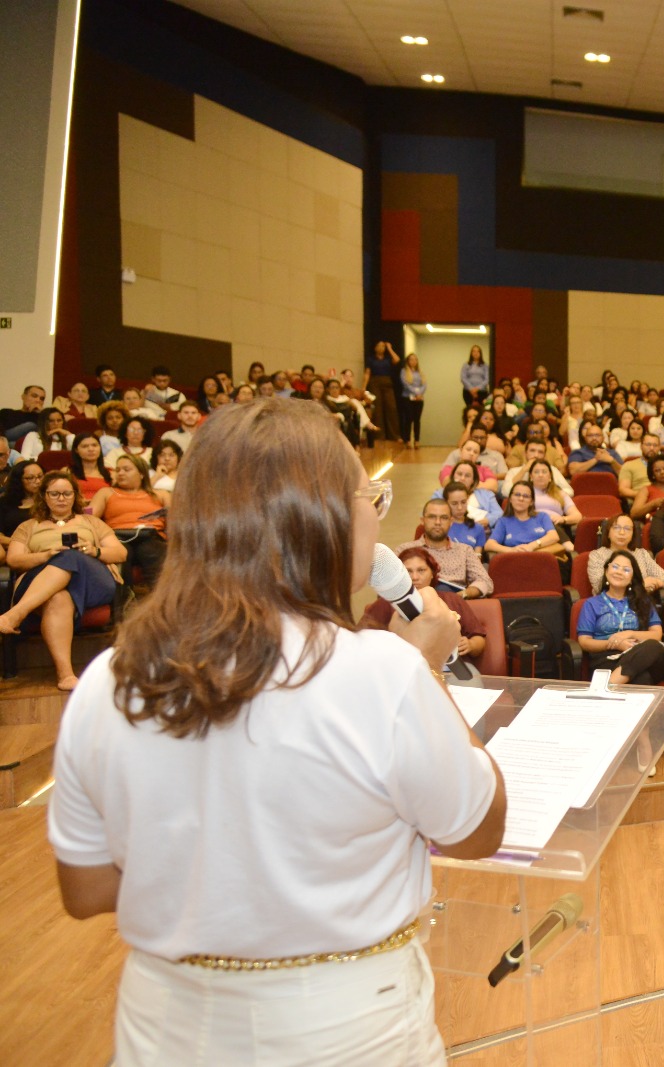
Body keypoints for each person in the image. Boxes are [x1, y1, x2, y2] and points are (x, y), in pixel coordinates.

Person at [47, 399, 505, 1064]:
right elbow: (477, 830)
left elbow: (86, 889)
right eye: (370, 497)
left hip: (167, 1023)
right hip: (347, 1026)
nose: (377, 517)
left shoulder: (108, 681)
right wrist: (427, 668)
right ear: (321, 518)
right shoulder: (381, 672)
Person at [2, 472, 127, 690]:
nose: (62, 498)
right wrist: (47, 556)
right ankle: (66, 675)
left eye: (67, 493)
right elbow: (13, 559)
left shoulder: (92, 522)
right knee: (59, 597)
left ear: (75, 495)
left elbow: (120, 553)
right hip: (40, 581)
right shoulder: (28, 526)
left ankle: (15, 614)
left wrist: (93, 551)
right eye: (55, 494)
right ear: (44, 496)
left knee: (71, 556)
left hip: (91, 581)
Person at [360, 546, 488, 667]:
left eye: (421, 570)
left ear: (432, 573)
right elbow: (360, 641)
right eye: (408, 571)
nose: (415, 577)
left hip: (454, 669)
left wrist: (470, 644)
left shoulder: (453, 599)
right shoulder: (386, 603)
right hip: (401, 668)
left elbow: (479, 638)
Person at [576, 551, 664, 685]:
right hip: (606, 658)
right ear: (606, 571)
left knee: (653, 646)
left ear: (632, 577)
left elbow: (657, 634)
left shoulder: (644, 601)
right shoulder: (592, 604)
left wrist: (629, 634)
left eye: (626, 570)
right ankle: (613, 684)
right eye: (615, 567)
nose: (619, 572)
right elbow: (584, 641)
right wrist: (615, 644)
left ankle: (608, 685)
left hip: (639, 653)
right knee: (643, 679)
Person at [89, 455, 169, 586]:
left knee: (150, 550)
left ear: (141, 474)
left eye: (126, 469)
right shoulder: (106, 492)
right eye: (118, 470)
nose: (120, 473)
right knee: (121, 552)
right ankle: (125, 596)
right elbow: (89, 518)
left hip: (151, 536)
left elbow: (176, 520)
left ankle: (160, 596)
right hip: (118, 537)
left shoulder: (161, 494)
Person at [396, 500, 493, 598]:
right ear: (422, 520)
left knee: (443, 589)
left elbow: (485, 582)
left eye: (444, 518)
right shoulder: (404, 550)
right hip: (414, 600)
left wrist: (462, 595)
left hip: (453, 600)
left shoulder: (464, 550)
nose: (438, 522)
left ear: (451, 522)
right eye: (432, 517)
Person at [586, 515, 664, 594]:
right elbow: (600, 586)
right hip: (609, 602)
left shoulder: (642, 554)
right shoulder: (597, 556)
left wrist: (655, 582)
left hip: (640, 602)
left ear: (633, 534)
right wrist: (641, 586)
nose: (622, 532)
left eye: (627, 529)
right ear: (608, 533)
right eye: (616, 528)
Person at [488, 480, 564, 557]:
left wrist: (531, 546)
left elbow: (554, 536)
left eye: (526, 496)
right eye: (517, 495)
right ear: (510, 499)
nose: (521, 498)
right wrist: (511, 550)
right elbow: (489, 544)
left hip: (541, 558)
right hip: (515, 559)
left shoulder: (542, 516)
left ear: (531, 502)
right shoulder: (503, 521)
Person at [397, 352, 426, 449]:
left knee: (417, 420)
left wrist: (419, 393)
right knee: (408, 419)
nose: (413, 361)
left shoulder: (420, 372)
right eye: (411, 359)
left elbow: (424, 385)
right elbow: (405, 384)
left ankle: (417, 440)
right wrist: (415, 392)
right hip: (407, 397)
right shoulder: (404, 371)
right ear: (408, 361)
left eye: (415, 359)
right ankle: (408, 440)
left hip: (419, 399)